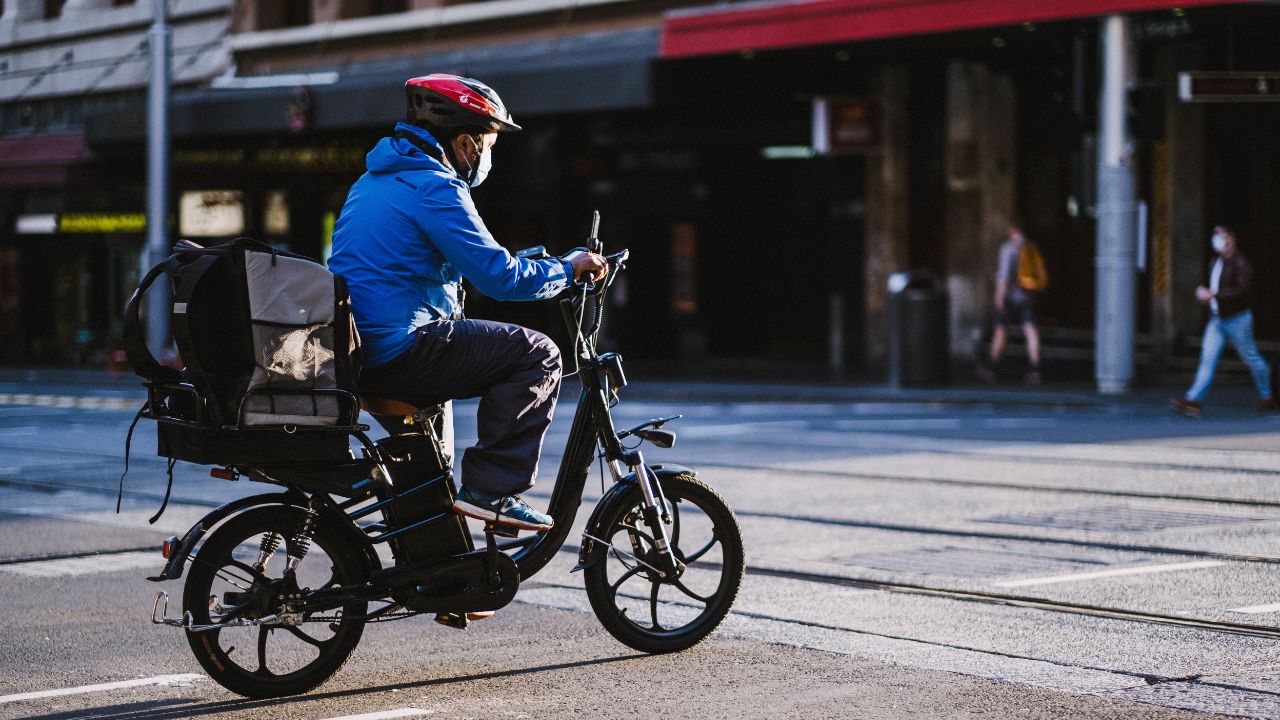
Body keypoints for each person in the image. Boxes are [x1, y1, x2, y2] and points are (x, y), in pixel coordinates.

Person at [328, 74, 607, 531]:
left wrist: (545, 265)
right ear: (465, 144)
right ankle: (494, 491)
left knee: (429, 479)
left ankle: (446, 584)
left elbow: (465, 263)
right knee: (537, 353)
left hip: (364, 352)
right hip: (403, 349)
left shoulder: (375, 181)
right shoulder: (435, 186)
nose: (489, 157)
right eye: (490, 145)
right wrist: (569, 268)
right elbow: (500, 278)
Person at [1171, 225, 1276, 418]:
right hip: (1217, 319)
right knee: (1207, 359)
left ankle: (1267, 395)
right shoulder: (1215, 262)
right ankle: (1193, 400)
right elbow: (1215, 288)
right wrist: (1206, 295)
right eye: (1215, 235)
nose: (1216, 239)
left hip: (1238, 319)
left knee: (1250, 357)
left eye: (1220, 235)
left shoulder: (1240, 263)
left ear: (1231, 238)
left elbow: (1243, 290)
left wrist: (1214, 295)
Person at [976, 223, 1042, 385]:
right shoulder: (1031, 247)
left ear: (1013, 230)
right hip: (1027, 297)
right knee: (1030, 330)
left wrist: (998, 297)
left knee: (1000, 330)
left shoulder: (1008, 249)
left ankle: (990, 368)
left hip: (1010, 298)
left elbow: (1003, 277)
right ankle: (1035, 370)